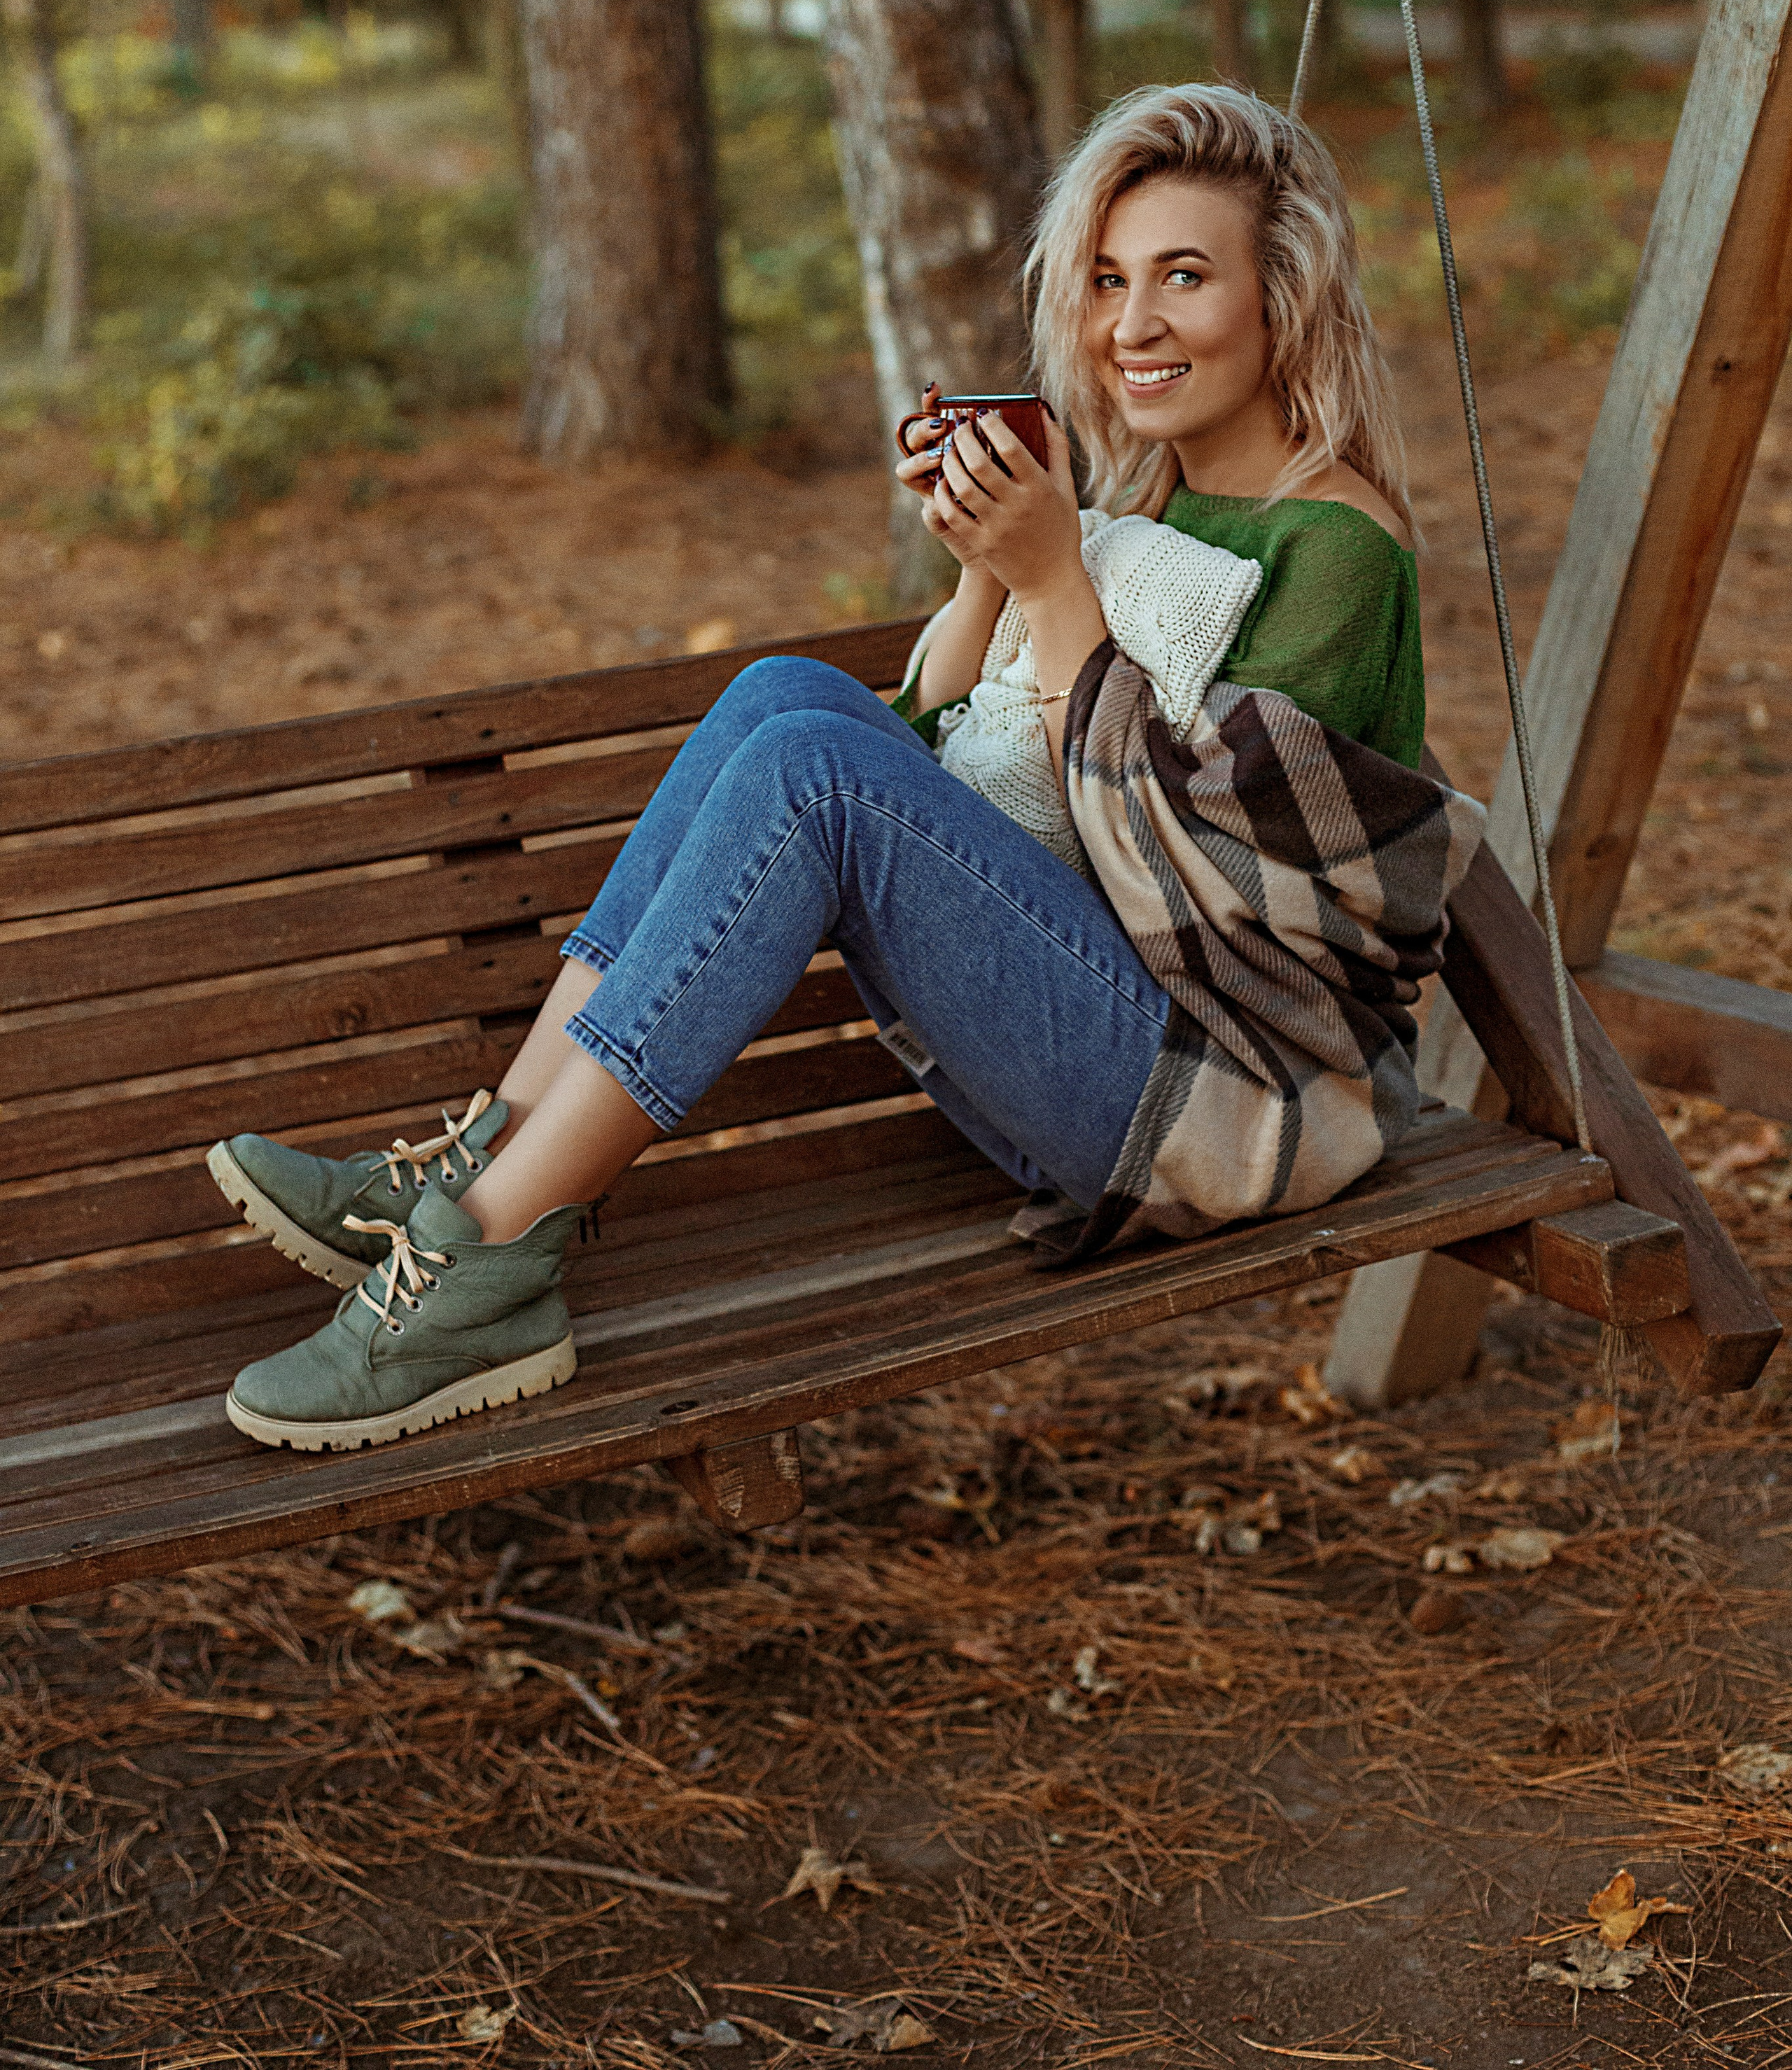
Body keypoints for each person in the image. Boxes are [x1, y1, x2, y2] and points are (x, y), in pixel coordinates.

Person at [209, 83, 1482, 1455]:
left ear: (1279, 297)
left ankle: (488, 1264)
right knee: (786, 698)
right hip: (1096, 1038)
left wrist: (1056, 578)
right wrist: (986, 572)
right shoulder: (1156, 491)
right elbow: (946, 743)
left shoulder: (1337, 555)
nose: (1130, 326)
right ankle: (492, 1168)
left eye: (1184, 276)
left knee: (816, 762)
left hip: (1217, 1099)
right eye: (1106, 280)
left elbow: (1196, 876)